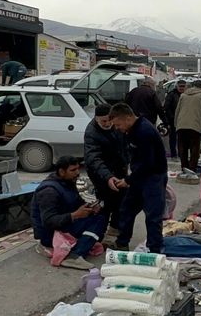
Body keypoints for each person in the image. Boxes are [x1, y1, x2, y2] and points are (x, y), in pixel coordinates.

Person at [109, 103, 168, 254]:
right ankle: (122, 242)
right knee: (127, 209)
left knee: (153, 216)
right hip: (139, 177)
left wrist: (128, 180)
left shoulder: (144, 131)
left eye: (118, 124)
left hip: (153, 177)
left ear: (128, 118)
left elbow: (148, 163)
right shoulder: (131, 131)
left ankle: (155, 250)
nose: (117, 128)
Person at [31, 156, 105, 270]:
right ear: (61, 171)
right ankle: (73, 256)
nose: (77, 173)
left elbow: (75, 204)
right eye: (73, 170)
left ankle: (78, 248)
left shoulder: (68, 183)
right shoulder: (49, 191)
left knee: (99, 218)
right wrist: (75, 215)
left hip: (64, 225)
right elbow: (48, 221)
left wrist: (90, 208)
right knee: (95, 224)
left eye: (78, 169)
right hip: (50, 234)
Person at [84, 104, 129, 238]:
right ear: (96, 119)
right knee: (106, 202)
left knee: (122, 199)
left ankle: (115, 227)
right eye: (103, 121)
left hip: (119, 168)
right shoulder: (91, 133)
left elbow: (124, 145)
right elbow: (94, 159)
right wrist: (108, 177)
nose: (108, 123)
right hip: (100, 173)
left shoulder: (116, 125)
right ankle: (98, 233)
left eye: (109, 120)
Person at [175, 80, 201, 173]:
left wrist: (176, 124)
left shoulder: (183, 95)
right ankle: (192, 168)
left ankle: (184, 167)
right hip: (195, 126)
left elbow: (177, 110)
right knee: (194, 149)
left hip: (181, 125)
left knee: (182, 149)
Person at [163, 80, 186, 160]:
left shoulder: (186, 95)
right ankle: (174, 154)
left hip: (183, 119)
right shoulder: (171, 94)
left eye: (183, 86)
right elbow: (166, 107)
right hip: (173, 120)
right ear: (177, 86)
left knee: (182, 138)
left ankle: (181, 154)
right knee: (173, 138)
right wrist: (171, 117)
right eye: (180, 86)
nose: (182, 88)